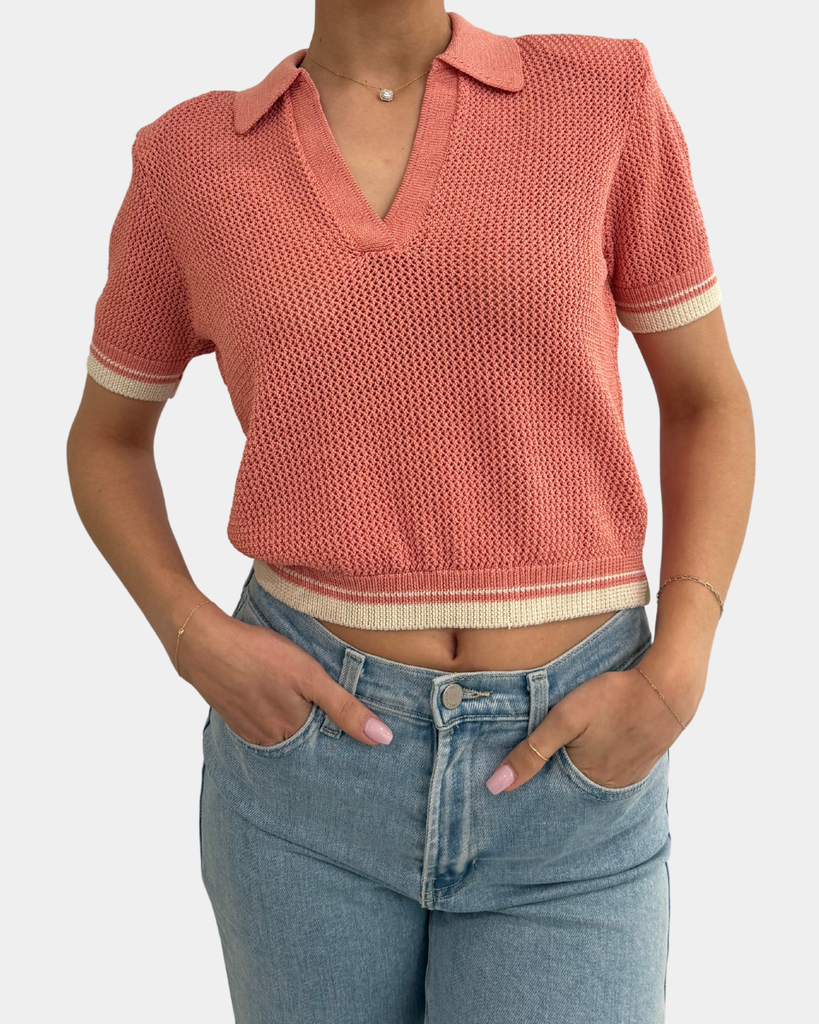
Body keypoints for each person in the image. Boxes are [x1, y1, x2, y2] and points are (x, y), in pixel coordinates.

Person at [66, 3, 755, 1022]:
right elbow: (106, 439)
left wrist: (681, 664)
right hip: (303, 774)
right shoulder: (188, 162)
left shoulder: (601, 98)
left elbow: (707, 401)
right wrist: (190, 634)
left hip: (574, 769)